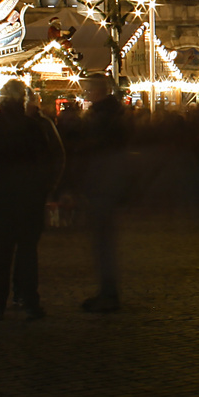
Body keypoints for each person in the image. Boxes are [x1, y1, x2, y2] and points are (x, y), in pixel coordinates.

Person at [0, 79, 64, 320]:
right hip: (29, 195)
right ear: (22, 100)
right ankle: (28, 298)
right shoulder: (32, 127)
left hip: (1, 195)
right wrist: (45, 187)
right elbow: (47, 160)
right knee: (27, 249)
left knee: (2, 248)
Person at [73, 74, 128, 312]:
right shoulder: (113, 113)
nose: (86, 95)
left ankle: (108, 292)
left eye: (88, 90)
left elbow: (98, 146)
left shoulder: (103, 116)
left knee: (102, 240)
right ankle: (107, 290)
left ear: (98, 91)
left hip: (102, 181)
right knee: (103, 240)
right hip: (107, 180)